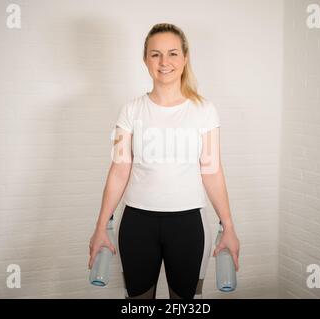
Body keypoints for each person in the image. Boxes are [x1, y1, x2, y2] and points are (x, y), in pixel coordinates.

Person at [88, 23, 240, 299]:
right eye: (155, 54)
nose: (164, 62)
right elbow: (119, 171)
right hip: (137, 223)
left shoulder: (203, 110)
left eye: (172, 53)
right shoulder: (131, 110)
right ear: (145, 60)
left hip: (187, 224)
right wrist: (101, 227)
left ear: (184, 58)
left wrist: (228, 226)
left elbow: (212, 171)